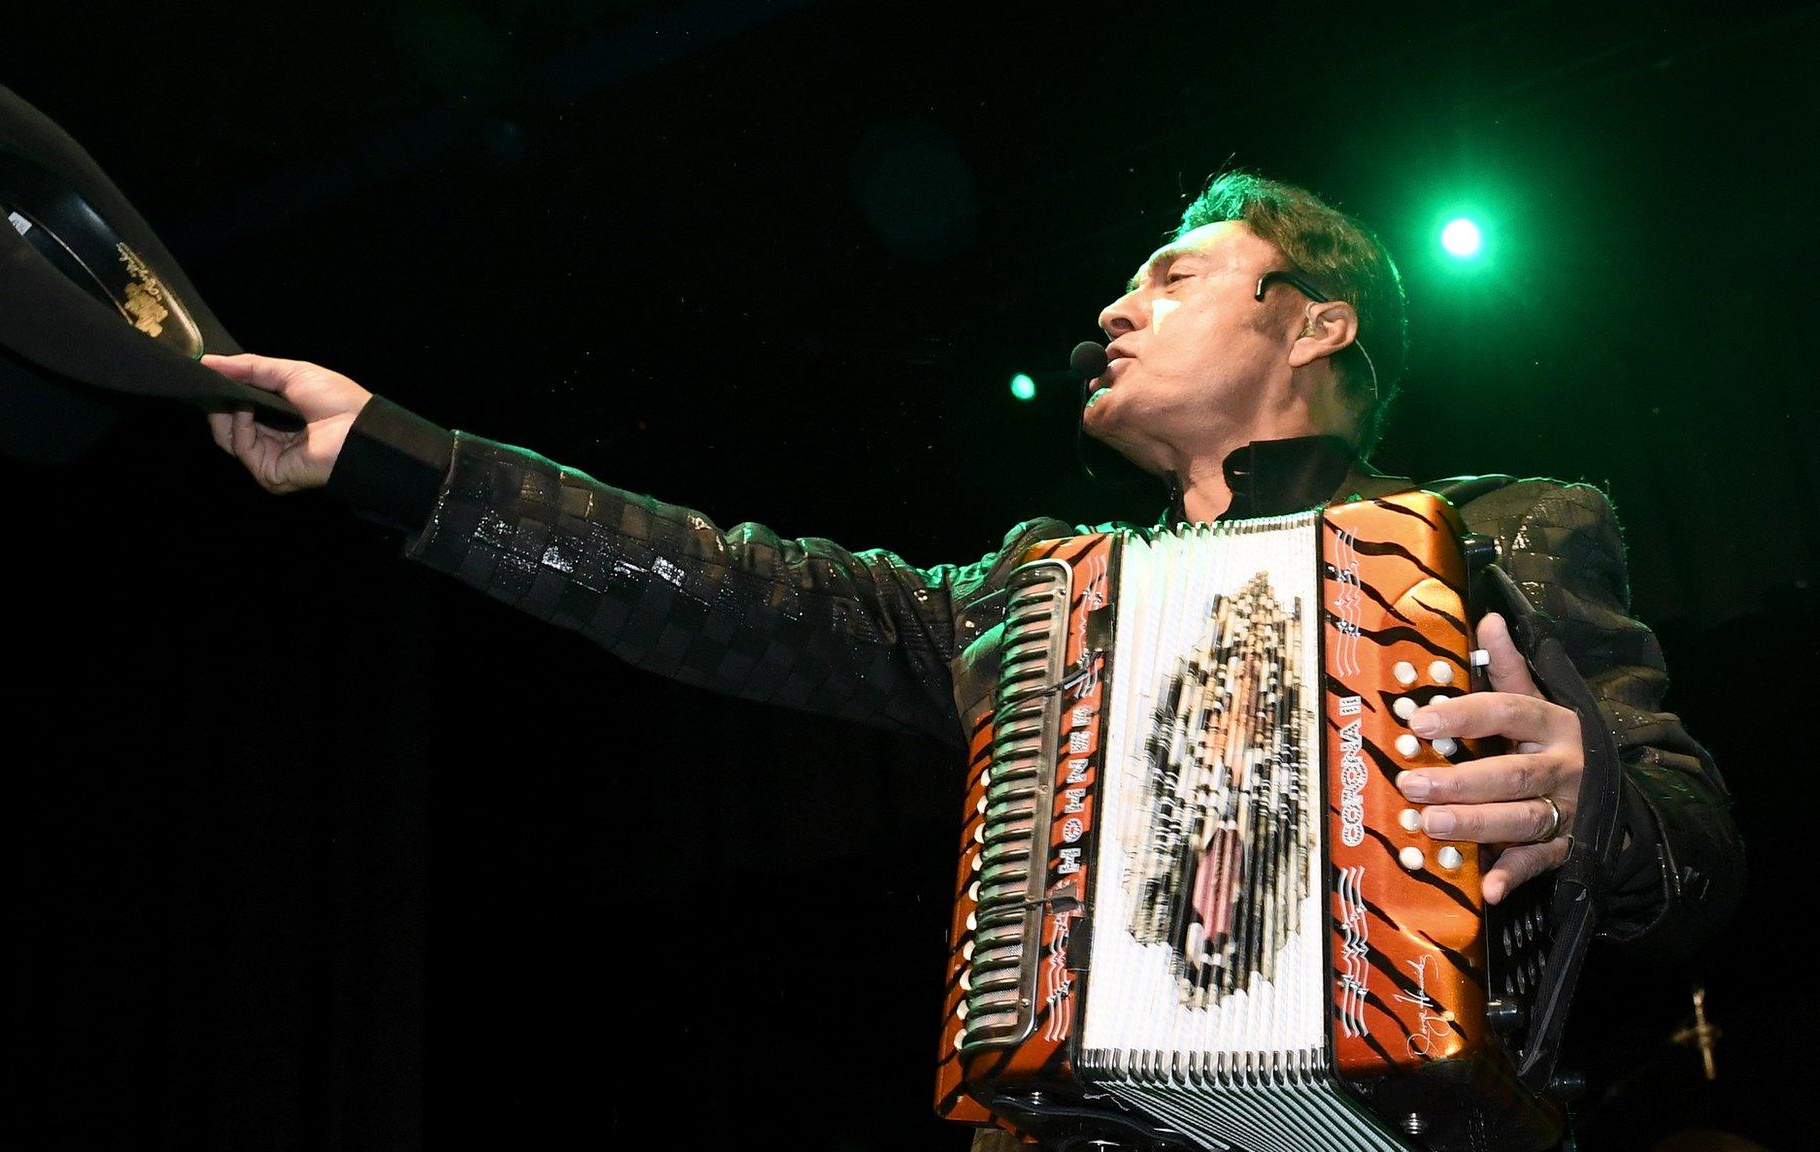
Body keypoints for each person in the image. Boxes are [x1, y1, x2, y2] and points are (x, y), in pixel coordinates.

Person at [203, 171, 1743, 1140]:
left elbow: (1699, 854)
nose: (1112, 307)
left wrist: (1592, 796)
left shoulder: (1512, 529)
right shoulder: (1039, 597)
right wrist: (392, 459)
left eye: (1174, 271)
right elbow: (722, 587)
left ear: (1317, 323)